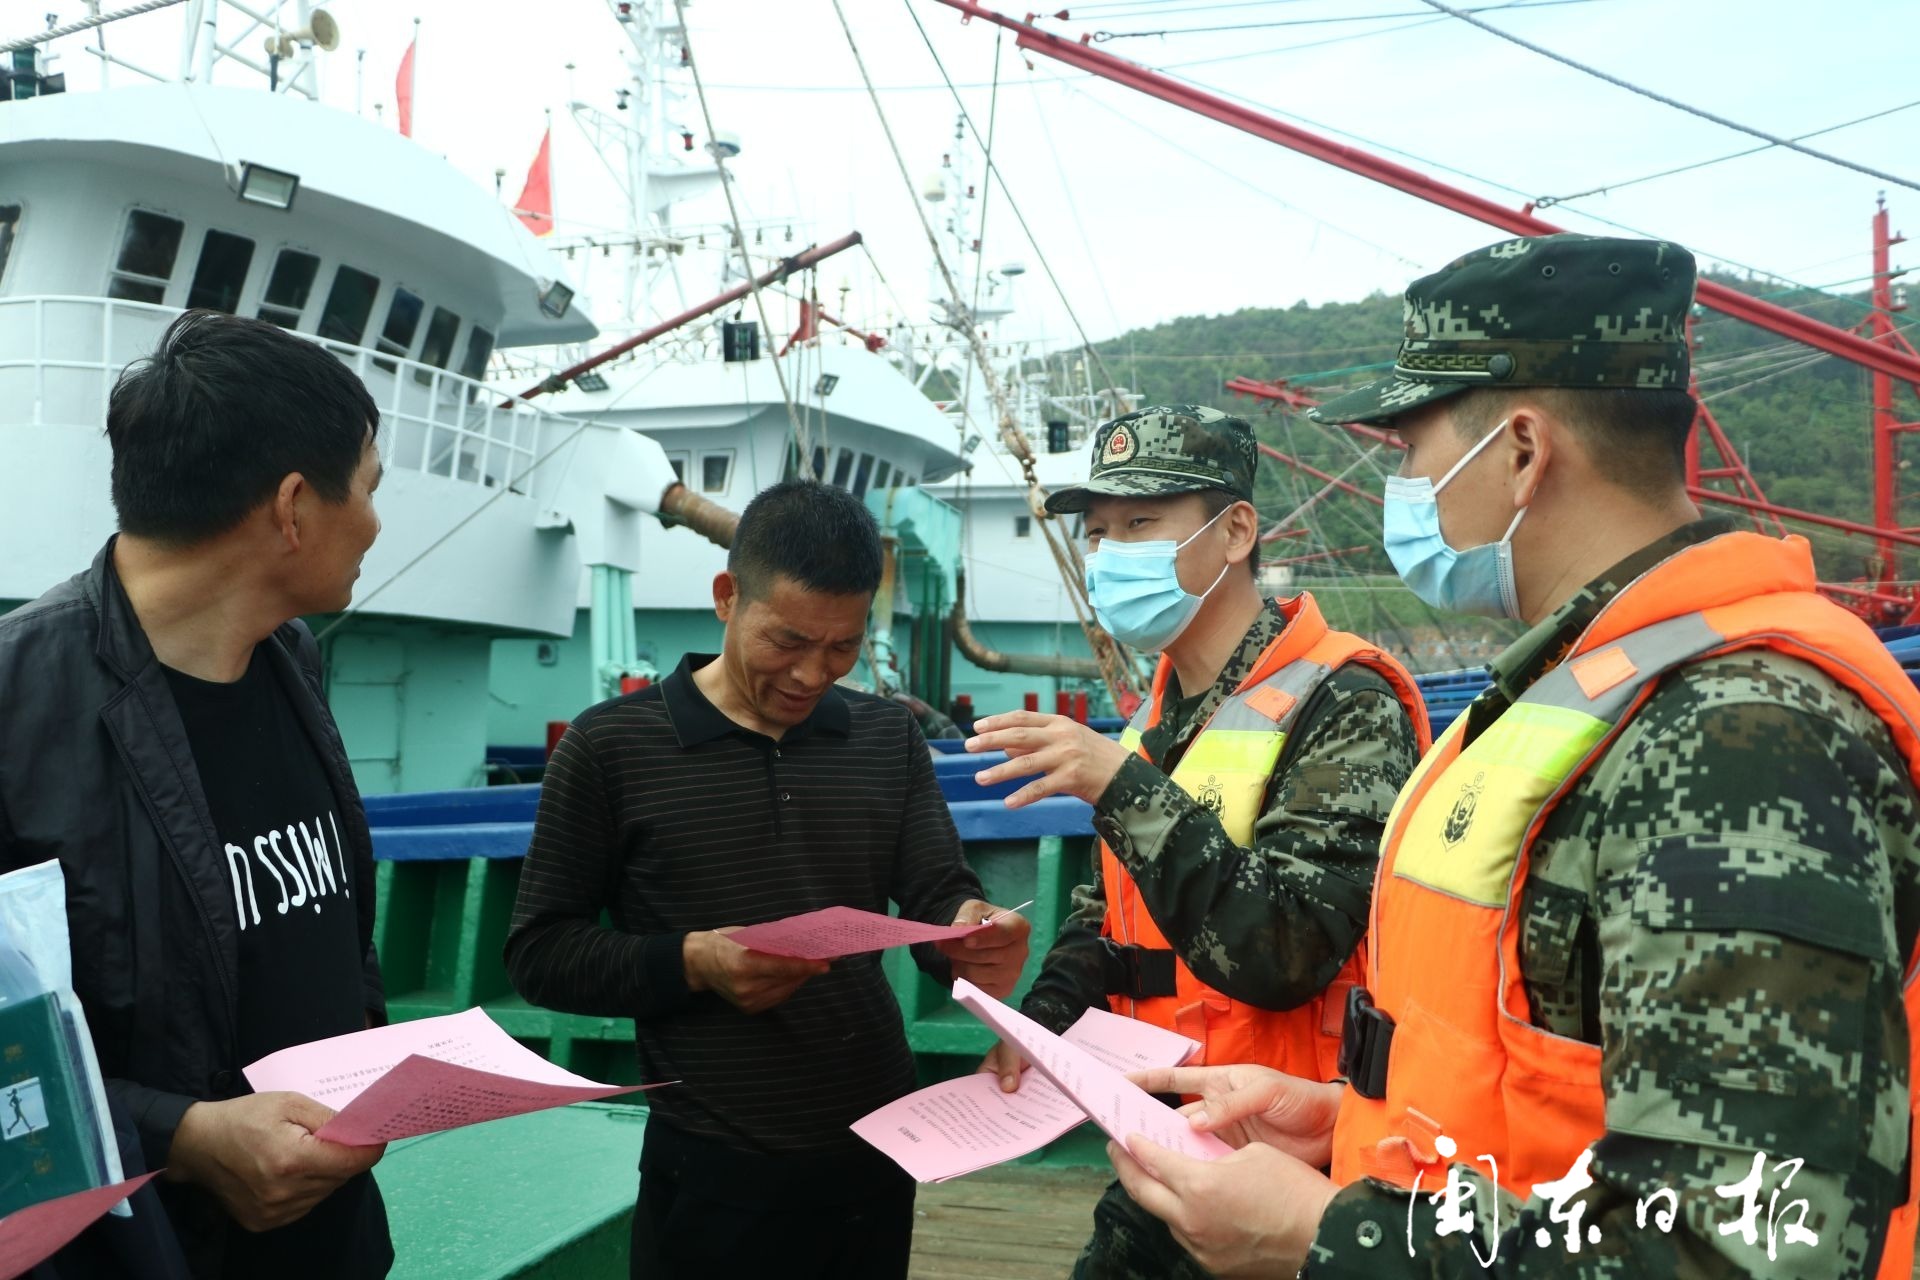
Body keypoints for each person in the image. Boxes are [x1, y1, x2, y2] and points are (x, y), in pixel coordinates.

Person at [1103, 234, 1920, 1279]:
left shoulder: (1738, 736)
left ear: (1524, 449)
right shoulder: (1592, 686)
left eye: (1408, 450)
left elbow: (1747, 1241)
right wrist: (1351, 1124)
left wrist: (1326, 1234)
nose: (1399, 482)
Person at [502, 480, 1032, 1280]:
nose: (813, 673)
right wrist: (694, 964)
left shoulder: (886, 735)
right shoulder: (610, 748)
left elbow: (933, 893)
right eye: (787, 640)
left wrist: (972, 933)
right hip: (714, 1165)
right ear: (726, 597)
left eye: (842, 646)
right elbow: (540, 954)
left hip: (879, 1149)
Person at [963, 406, 1429, 1279]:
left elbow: (1286, 950)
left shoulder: (1346, 702)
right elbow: (1107, 921)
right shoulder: (1158, 718)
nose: (1111, 554)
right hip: (1160, 1131)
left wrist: (1119, 787)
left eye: (1141, 523)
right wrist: (1038, 1026)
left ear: (1236, 531)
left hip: (1283, 1165)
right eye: (1099, 533)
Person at [0, 311, 394, 1277]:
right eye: (372, 489)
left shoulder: (291, 659)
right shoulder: (14, 706)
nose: (379, 525)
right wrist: (180, 1136)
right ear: (294, 507)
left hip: (332, 1245)